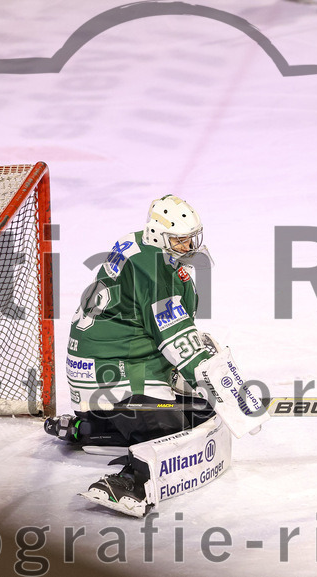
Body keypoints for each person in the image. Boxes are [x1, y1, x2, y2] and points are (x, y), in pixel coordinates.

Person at [45, 195, 267, 516]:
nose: (187, 245)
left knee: (197, 409)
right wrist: (221, 388)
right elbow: (176, 340)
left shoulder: (137, 244)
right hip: (119, 372)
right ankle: (129, 483)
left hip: (103, 367)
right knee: (177, 432)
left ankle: (88, 426)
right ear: (157, 235)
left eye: (190, 237)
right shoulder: (154, 272)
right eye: (178, 240)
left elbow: (152, 322)